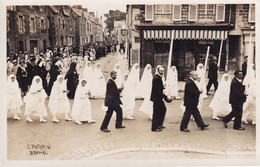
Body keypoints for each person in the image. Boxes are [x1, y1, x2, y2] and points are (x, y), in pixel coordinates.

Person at [150, 65, 172, 132]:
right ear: (158, 71)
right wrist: (166, 96)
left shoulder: (159, 78)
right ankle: (154, 127)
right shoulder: (157, 78)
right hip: (157, 98)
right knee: (157, 112)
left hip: (158, 97)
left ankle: (159, 124)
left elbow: (159, 88)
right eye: (161, 71)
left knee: (162, 110)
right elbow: (158, 90)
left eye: (163, 71)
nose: (162, 72)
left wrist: (163, 87)